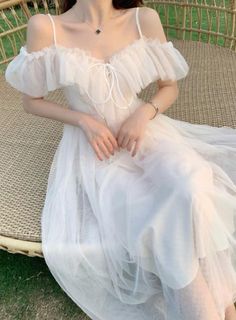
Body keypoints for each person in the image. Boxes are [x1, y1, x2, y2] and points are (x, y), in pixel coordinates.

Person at [4, 0, 236, 319]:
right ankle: (217, 309)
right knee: (151, 211)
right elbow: (31, 101)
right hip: (96, 150)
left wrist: (145, 111)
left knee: (192, 183)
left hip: (145, 131)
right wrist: (82, 120)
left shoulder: (143, 19)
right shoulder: (47, 27)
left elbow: (169, 88)